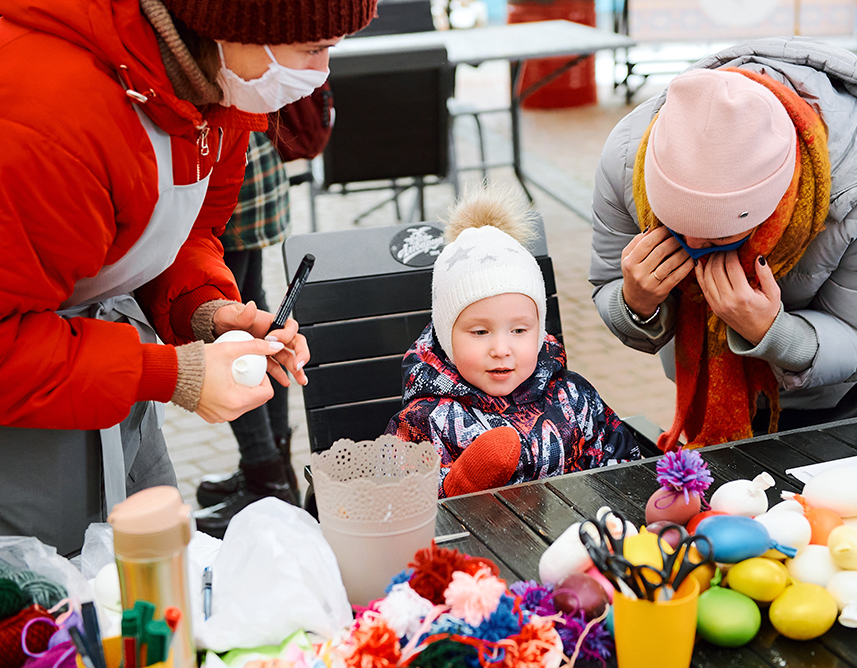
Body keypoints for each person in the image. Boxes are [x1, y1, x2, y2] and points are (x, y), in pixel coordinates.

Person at [0, 0, 375, 554]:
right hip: (27, 397)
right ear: (240, 25)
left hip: (97, 375)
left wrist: (206, 311)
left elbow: (179, 232)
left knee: (155, 576)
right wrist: (173, 374)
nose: (320, 73)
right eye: (314, 50)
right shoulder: (53, 121)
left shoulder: (223, 90)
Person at [589, 37, 857, 450]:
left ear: (774, 202)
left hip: (829, 414)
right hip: (699, 412)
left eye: (719, 235)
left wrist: (774, 332)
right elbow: (606, 284)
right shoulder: (628, 159)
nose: (693, 245)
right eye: (674, 224)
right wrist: (635, 303)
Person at [384, 188, 640, 498]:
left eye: (519, 331)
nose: (501, 349)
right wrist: (454, 486)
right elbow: (396, 503)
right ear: (447, 337)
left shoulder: (572, 397)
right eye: (480, 332)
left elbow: (622, 464)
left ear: (539, 330)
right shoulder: (426, 421)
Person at [193, 132, 299, 539]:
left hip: (225, 169)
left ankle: (265, 477)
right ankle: (275, 469)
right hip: (250, 164)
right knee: (251, 314)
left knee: (233, 333)